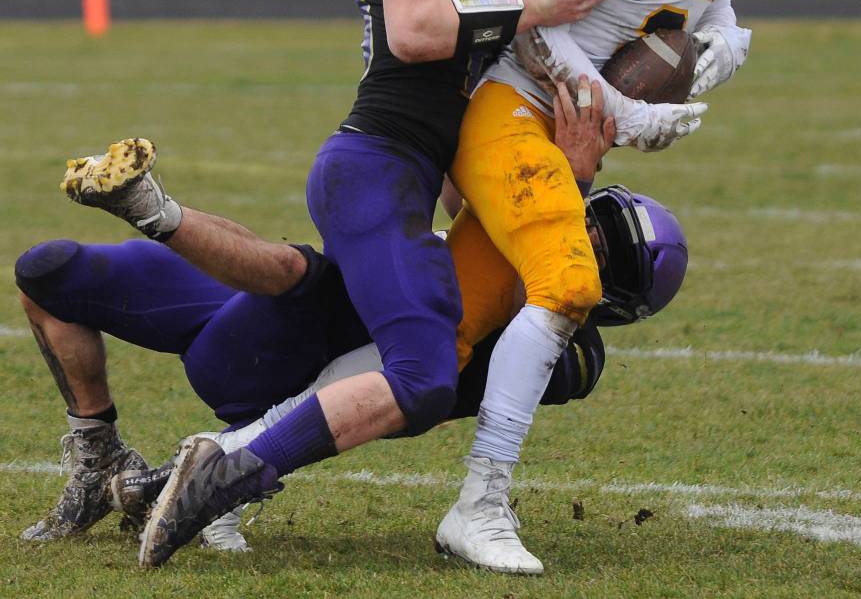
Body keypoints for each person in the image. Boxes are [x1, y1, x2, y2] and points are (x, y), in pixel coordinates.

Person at [49, 0, 614, 568]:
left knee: (419, 364)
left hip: (401, 179)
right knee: (420, 377)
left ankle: (223, 461)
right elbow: (418, 31)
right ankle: (220, 470)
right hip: (374, 168)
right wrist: (538, 4)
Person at [432, 0, 819, 573]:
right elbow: (528, 23)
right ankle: (481, 501)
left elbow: (709, 11)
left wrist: (721, 47)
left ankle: (233, 463)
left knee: (438, 344)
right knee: (570, 285)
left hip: (570, 128)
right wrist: (627, 111)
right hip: (513, 106)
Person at [20, 85, 688, 555]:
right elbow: (469, 193)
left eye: (594, 255)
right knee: (45, 274)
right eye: (584, 222)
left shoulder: (565, 354)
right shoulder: (527, 207)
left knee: (299, 277)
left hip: (323, 357)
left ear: (609, 301)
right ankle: (97, 459)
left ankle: (157, 215)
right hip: (264, 324)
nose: (574, 237)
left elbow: (417, 378)